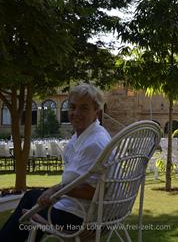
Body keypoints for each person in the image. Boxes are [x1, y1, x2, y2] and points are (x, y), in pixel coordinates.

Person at [0, 83, 111, 242]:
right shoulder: (89, 136)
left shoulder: (94, 143)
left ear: (96, 112)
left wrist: (55, 191)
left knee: (31, 205)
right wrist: (55, 191)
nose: (76, 113)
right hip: (77, 210)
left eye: (84, 108)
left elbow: (93, 191)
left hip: (78, 216)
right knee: (32, 200)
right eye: (72, 107)